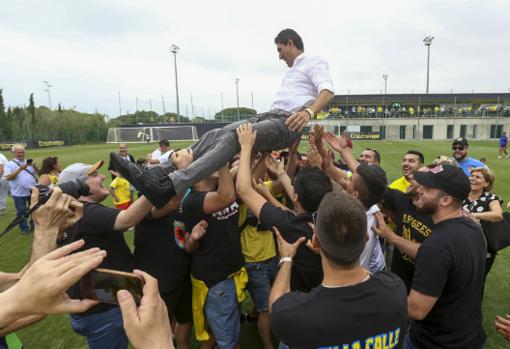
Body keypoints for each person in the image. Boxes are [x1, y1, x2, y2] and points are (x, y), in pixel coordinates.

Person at [111, 28, 334, 209]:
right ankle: (160, 172)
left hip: (286, 123)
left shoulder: (313, 61)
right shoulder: (292, 70)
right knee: (214, 133)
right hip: (269, 115)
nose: (279, 55)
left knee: (233, 138)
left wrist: (308, 112)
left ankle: (170, 185)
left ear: (290, 43)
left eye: (279, 49)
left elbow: (327, 90)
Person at [269, 190, 408, 348]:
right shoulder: (395, 288)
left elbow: (276, 306)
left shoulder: (296, 314)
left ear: (315, 242)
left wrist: (287, 259)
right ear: (366, 238)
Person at [58, 160, 154, 349]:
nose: (102, 177)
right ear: (77, 186)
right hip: (104, 309)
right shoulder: (88, 212)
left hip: (91, 304)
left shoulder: (65, 215)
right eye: (94, 175)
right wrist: (156, 189)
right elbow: (127, 220)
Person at [236, 123, 330, 293]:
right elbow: (294, 207)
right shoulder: (331, 218)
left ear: (295, 197)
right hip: (325, 297)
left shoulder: (290, 226)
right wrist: (281, 173)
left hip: (298, 304)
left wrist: (246, 147)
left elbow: (243, 189)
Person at [403, 164, 486, 348]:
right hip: (469, 337)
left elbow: (416, 310)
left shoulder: (436, 246)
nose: (420, 190)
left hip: (435, 343)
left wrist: (381, 293)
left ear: (446, 200)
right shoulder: (473, 227)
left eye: (427, 188)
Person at [180, 164, 245, 348]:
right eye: (212, 162)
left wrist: (260, 155)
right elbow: (188, 247)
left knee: (230, 330)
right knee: (227, 340)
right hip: (216, 281)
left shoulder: (218, 190)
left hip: (230, 273)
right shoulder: (193, 200)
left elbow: (245, 188)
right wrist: (222, 160)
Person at [133, 200, 193, 349]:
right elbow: (168, 205)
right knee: (157, 338)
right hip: (159, 286)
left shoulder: (179, 210)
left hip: (182, 280)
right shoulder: (145, 206)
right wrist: (183, 178)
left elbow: (181, 241)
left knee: (185, 321)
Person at [376, 167, 434, 292]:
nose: (410, 177)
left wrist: (390, 235)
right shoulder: (403, 200)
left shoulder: (440, 220)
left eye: (417, 177)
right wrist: (344, 152)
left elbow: (431, 254)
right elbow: (369, 180)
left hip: (419, 288)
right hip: (398, 280)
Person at [462, 167, 503, 277]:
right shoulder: (461, 194)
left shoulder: (490, 198)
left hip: (481, 249)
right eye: (472, 176)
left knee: (476, 282)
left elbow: (498, 215)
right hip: (459, 245)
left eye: (478, 177)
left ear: (486, 183)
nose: (473, 179)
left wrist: (471, 215)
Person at [3, 144, 37, 234]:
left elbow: (39, 173)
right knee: (21, 212)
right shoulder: (9, 164)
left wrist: (35, 167)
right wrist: (20, 169)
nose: (21, 154)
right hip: (18, 193)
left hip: (32, 191)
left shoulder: (29, 162)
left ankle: (34, 225)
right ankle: (24, 228)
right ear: (13, 153)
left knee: (35, 210)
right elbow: (7, 177)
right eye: (19, 152)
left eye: (22, 152)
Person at [0, 152, 9, 216]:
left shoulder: (0, 157)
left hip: (3, 178)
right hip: (5, 178)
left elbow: (1, 169)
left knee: (2, 194)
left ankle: (1, 210)